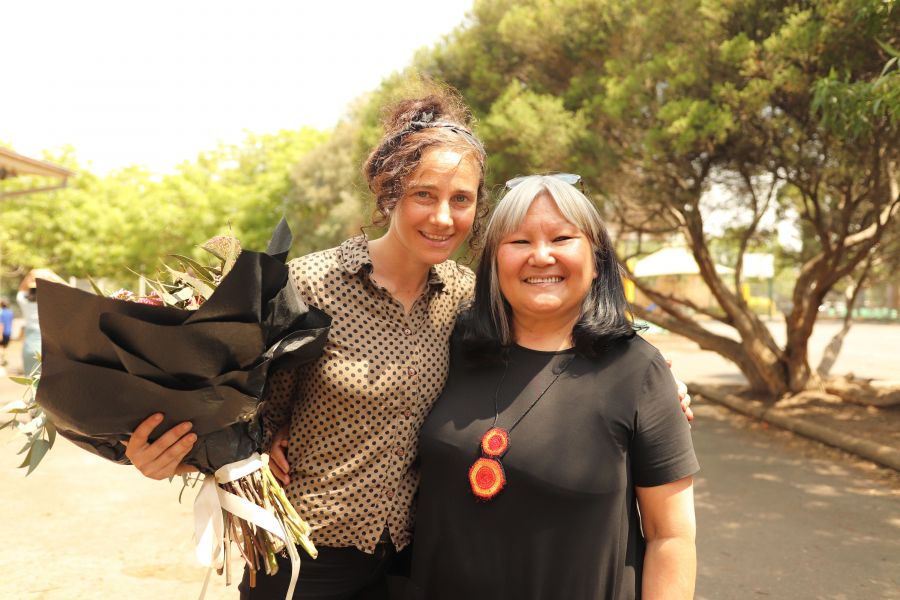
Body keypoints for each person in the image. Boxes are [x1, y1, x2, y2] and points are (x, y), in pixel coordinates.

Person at [123, 92, 692, 599]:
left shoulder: (470, 301)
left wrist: (656, 378)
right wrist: (173, 452)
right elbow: (232, 405)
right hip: (303, 562)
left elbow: (564, 330)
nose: (444, 217)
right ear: (387, 191)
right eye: (424, 194)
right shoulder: (306, 284)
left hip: (411, 564)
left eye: (462, 200)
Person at [407, 175, 699, 599]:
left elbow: (669, 535)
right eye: (519, 242)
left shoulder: (638, 370)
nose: (541, 257)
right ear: (493, 263)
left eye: (562, 238)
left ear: (597, 260)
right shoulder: (452, 345)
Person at [0, 299, 13, 366]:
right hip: (8, 332)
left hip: (2, 332)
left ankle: (2, 360)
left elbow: (1, 324)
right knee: (5, 347)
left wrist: (0, 334)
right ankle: (4, 360)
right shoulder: (10, 312)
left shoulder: (1, 312)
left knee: (1, 347)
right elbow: (11, 323)